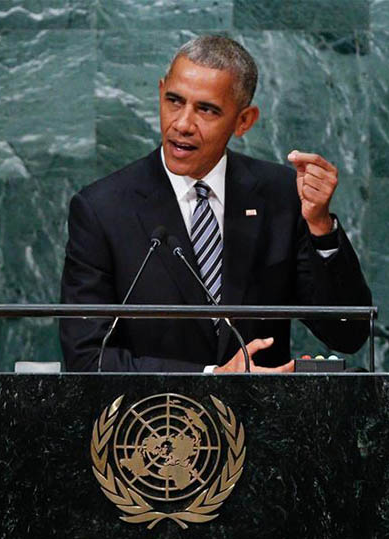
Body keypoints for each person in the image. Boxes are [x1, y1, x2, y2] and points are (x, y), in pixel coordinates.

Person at [59, 35, 371, 373]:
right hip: (156, 408)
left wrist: (321, 228)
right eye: (174, 101)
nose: (182, 124)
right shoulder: (102, 209)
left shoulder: (281, 195)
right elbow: (86, 358)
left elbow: (347, 334)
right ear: (160, 92)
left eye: (206, 110)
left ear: (244, 121)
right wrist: (210, 377)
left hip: (262, 407)